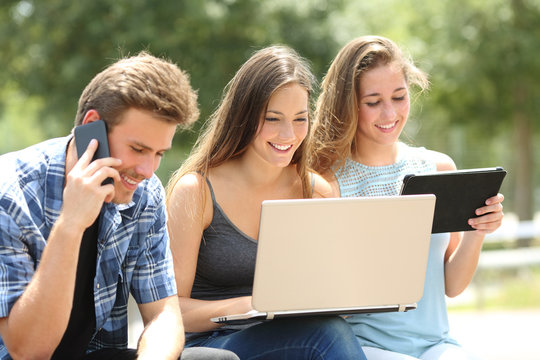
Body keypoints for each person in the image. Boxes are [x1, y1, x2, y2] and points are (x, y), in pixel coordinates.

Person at [0, 52, 239, 360]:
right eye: (138, 149)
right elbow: (30, 350)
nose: (147, 170)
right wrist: (70, 224)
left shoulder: (145, 193)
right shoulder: (11, 194)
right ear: (92, 128)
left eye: (158, 154)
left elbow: (163, 314)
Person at [309, 35, 505, 360]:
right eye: (373, 102)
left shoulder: (439, 168)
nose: (390, 113)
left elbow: (451, 286)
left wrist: (477, 231)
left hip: (437, 347)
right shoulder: (326, 184)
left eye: (399, 97)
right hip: (364, 348)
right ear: (348, 104)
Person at [165, 45, 367, 360]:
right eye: (273, 118)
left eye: (300, 119)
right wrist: (249, 306)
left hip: (293, 337)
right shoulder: (196, 190)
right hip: (214, 345)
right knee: (326, 335)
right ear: (244, 116)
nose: (289, 134)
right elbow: (170, 308)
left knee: (328, 328)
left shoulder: (315, 191)